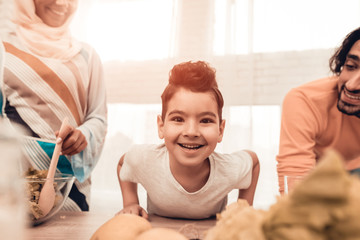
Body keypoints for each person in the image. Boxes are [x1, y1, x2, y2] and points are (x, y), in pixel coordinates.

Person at [117, 61, 260, 219]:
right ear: (161, 126)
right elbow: (123, 162)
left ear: (220, 130)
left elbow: (253, 162)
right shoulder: (145, 159)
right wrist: (130, 203)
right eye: (178, 119)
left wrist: (244, 207)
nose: (191, 132)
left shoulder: (227, 169)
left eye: (205, 121)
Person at [0, 0, 107, 211]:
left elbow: (98, 117)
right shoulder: (4, 50)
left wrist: (83, 135)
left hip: (70, 186)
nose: (61, 3)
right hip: (11, 185)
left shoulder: (87, 55)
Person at [277, 27, 360, 194]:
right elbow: (295, 188)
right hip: (320, 187)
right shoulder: (305, 100)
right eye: (351, 66)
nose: (351, 85)